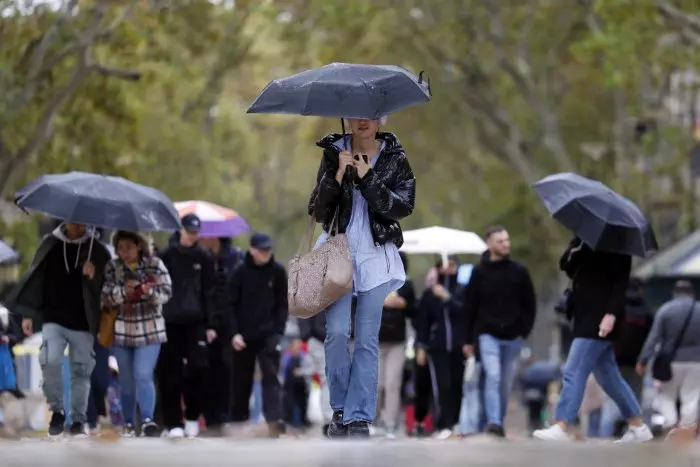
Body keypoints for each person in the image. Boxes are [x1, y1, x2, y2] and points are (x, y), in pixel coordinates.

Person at [308, 117, 415, 439]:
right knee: (338, 333)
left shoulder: (396, 158)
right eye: (356, 114)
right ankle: (340, 408)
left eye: (370, 114)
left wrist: (368, 178)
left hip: (375, 253)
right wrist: (338, 175)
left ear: (382, 118)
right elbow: (317, 210)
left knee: (367, 339)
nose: (363, 121)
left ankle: (358, 416)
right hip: (338, 252)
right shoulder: (332, 153)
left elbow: (401, 207)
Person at [533, 237, 653, 442]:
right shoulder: (585, 240)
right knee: (610, 379)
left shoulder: (619, 245)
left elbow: (620, 284)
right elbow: (569, 268)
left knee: (573, 371)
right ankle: (638, 426)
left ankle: (562, 424)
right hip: (582, 317)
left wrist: (612, 314)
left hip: (601, 319)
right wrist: (574, 248)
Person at [5, 222, 110, 437]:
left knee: (80, 371)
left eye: (81, 220)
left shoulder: (97, 249)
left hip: (83, 322)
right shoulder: (50, 243)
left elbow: (108, 288)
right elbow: (36, 278)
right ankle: (57, 410)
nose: (76, 223)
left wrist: (94, 275)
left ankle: (79, 419)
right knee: (49, 361)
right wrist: (29, 313)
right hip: (53, 319)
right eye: (72, 219)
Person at [463, 226, 536, 437]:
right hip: (487, 334)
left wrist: (524, 331)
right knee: (493, 375)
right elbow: (470, 307)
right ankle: (494, 422)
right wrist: (467, 340)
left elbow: (530, 304)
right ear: (489, 244)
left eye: (507, 240)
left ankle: (498, 421)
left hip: (513, 337)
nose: (506, 244)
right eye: (500, 241)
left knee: (505, 383)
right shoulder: (479, 273)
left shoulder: (519, 271)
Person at [102, 231, 172, 437]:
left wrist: (148, 291)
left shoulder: (155, 264)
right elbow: (106, 296)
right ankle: (129, 422)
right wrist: (125, 291)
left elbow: (167, 293)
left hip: (150, 329)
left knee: (143, 373)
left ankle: (148, 420)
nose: (124, 252)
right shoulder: (113, 267)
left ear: (139, 245)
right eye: (120, 248)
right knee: (126, 380)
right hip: (122, 331)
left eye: (128, 247)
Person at [158, 214, 216, 438]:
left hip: (196, 322)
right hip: (169, 321)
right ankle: (173, 422)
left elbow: (211, 292)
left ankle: (192, 416)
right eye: (190, 231)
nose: (193, 236)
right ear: (180, 230)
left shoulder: (204, 257)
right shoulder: (165, 255)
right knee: (169, 373)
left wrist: (211, 324)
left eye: (196, 232)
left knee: (199, 368)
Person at [229, 232, 288, 437]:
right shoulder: (239, 272)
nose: (265, 253)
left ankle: (274, 420)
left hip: (268, 334)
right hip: (243, 335)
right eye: (261, 249)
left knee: (271, 376)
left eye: (268, 249)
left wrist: (278, 330)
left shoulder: (278, 271)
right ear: (252, 249)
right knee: (241, 380)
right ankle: (238, 420)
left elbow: (282, 304)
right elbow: (230, 305)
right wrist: (234, 333)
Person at [636, 280, 700, 435]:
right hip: (696, 361)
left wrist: (643, 360)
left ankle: (671, 426)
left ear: (674, 293)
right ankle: (686, 430)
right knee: (690, 396)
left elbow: (654, 338)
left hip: (670, 361)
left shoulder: (665, 310)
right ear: (691, 293)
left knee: (667, 395)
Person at [414, 258, 466, 440]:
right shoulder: (430, 293)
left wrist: (447, 298)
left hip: (459, 346)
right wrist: (421, 346)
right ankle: (443, 424)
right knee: (442, 385)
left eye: (452, 265)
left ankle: (456, 422)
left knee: (457, 385)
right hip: (437, 347)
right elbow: (423, 322)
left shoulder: (461, 290)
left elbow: (464, 312)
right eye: (445, 265)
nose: (448, 269)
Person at [199, 237, 244, 434]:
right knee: (206, 370)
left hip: (229, 324)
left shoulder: (235, 259)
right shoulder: (200, 258)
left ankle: (225, 415)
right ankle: (209, 416)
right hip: (204, 321)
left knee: (227, 370)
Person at [377, 251, 416, 438]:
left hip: (398, 341)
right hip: (375, 340)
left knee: (393, 383)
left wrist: (404, 304)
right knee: (376, 384)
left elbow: (414, 311)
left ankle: (391, 423)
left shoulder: (407, 286)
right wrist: (383, 302)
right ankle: (372, 419)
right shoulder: (376, 280)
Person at [298, 309, 332, 435]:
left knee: (329, 379)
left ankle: (332, 419)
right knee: (328, 378)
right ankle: (330, 420)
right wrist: (306, 334)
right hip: (318, 337)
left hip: (341, 334)